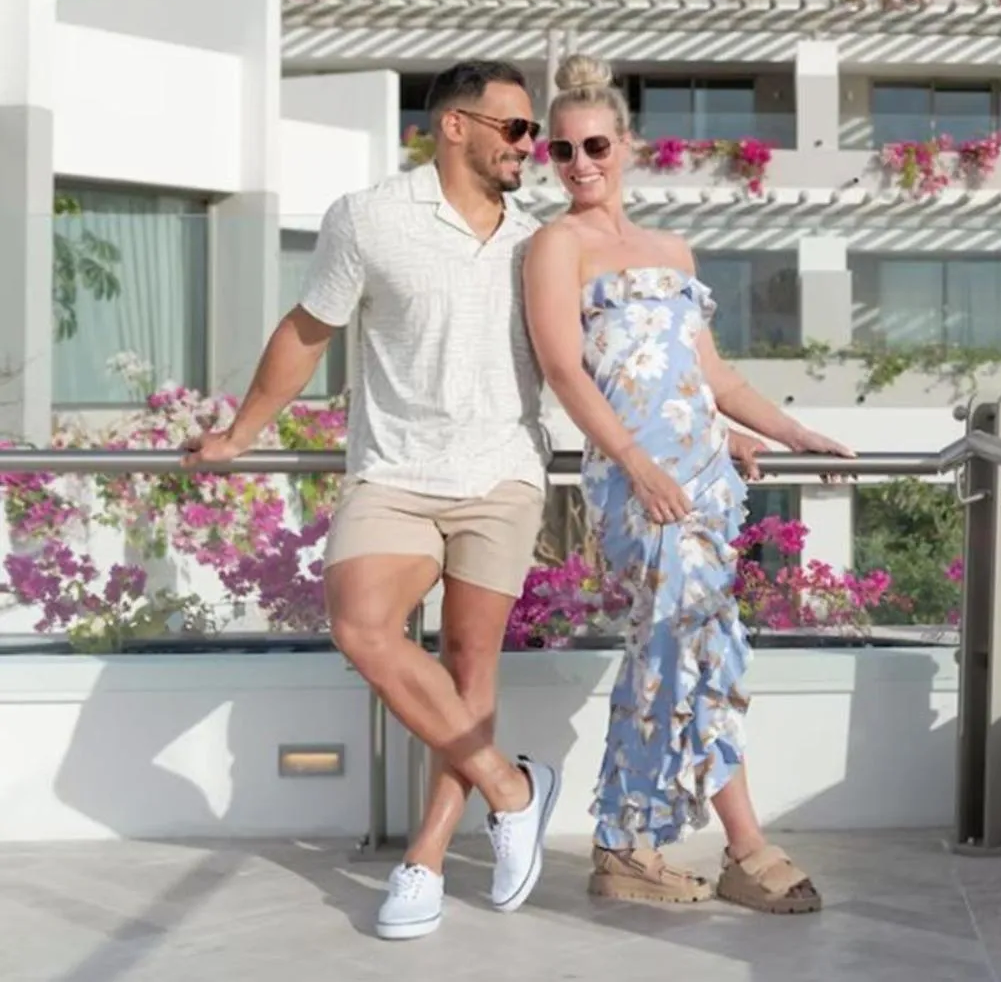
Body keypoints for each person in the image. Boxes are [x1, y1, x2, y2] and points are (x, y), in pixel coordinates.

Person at [180, 58, 763, 942]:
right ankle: (511, 788)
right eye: (521, 130)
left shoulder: (539, 240)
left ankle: (423, 858)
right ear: (455, 126)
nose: (536, 149)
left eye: (547, 136)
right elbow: (306, 332)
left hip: (503, 477)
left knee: (468, 668)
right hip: (395, 472)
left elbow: (620, 357)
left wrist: (715, 433)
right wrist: (241, 433)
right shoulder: (370, 216)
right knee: (362, 622)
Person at [522, 54, 853, 914]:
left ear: (627, 145)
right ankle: (731, 845)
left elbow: (710, 375)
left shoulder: (672, 249)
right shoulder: (554, 246)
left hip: (706, 478)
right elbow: (566, 371)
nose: (580, 163)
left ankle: (632, 845)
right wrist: (638, 465)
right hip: (639, 487)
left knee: (688, 651)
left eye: (595, 144)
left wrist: (788, 430)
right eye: (561, 151)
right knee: (681, 646)